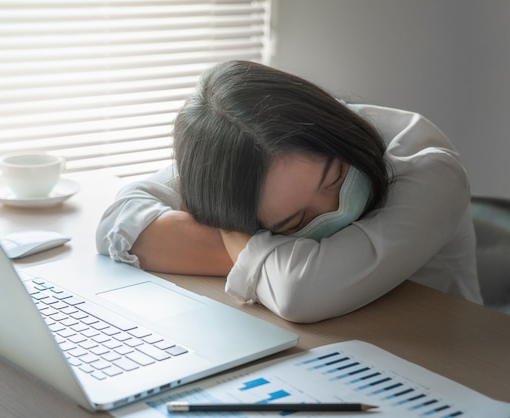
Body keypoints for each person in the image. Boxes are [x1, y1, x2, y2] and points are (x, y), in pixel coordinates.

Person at [96, 60, 483, 323]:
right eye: (294, 221)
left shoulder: (432, 169)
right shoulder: (247, 150)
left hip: (447, 361)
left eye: (334, 179)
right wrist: (246, 235)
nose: (334, 209)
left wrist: (233, 230)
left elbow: (299, 293)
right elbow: (120, 224)